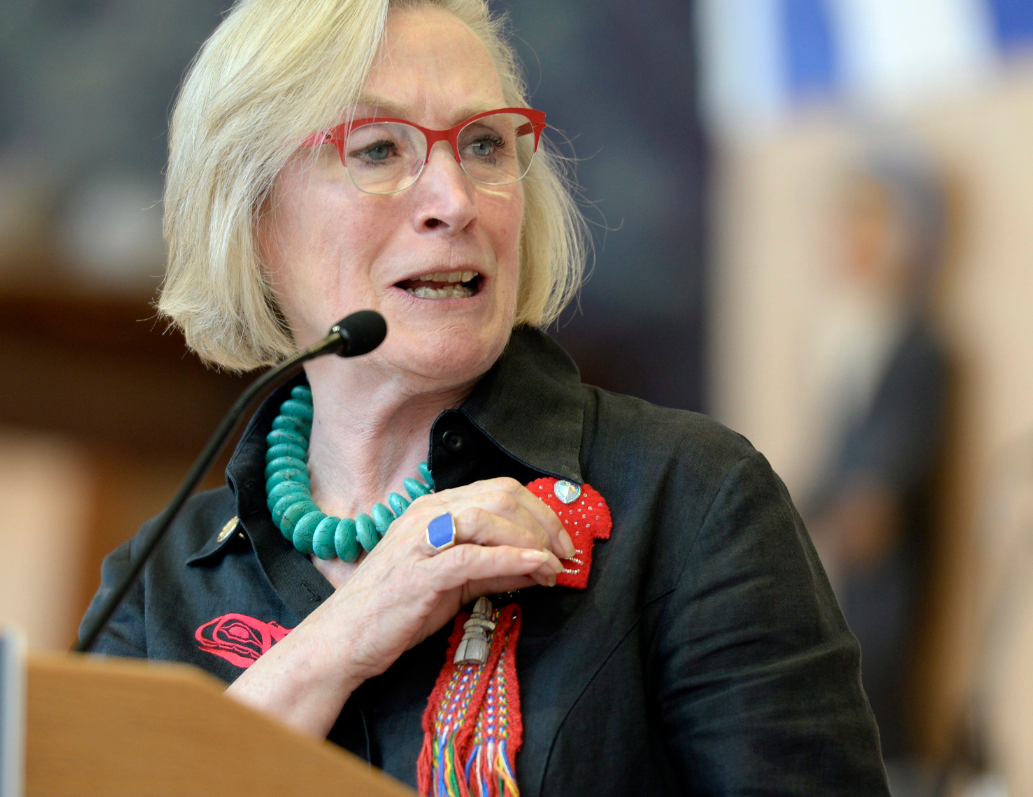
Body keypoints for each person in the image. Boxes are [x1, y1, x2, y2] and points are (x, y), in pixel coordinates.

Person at [80, 0, 889, 793]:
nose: (455, 201)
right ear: (253, 214)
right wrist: (342, 637)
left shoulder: (692, 502)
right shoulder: (155, 583)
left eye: (483, 145)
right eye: (378, 150)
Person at [804, 150, 952, 769]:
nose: (854, 239)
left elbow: (897, 450)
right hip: (843, 548)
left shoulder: (920, 347)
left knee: (880, 676)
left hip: (891, 558)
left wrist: (874, 495)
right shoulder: (850, 335)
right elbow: (837, 453)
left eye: (871, 220)